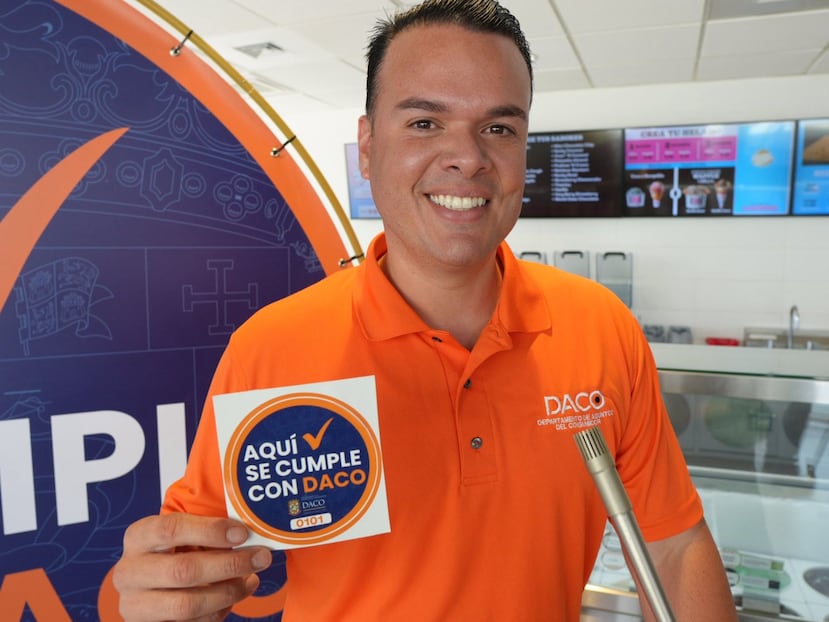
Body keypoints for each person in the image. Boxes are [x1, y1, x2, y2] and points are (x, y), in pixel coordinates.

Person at [113, 0, 738, 620]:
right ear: (367, 146)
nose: (468, 157)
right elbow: (194, 566)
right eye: (424, 123)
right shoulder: (271, 347)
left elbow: (673, 545)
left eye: (499, 128)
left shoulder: (600, 326)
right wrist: (168, 593)